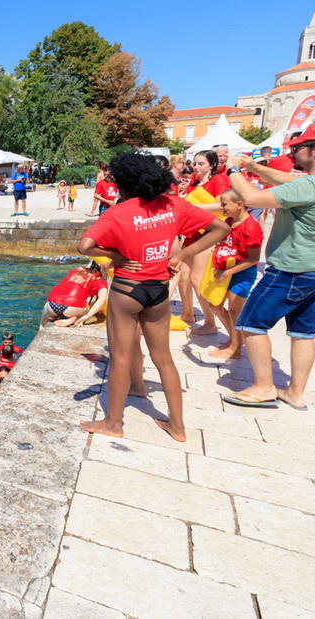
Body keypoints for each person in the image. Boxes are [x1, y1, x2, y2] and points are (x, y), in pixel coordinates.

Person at [78, 151, 228, 441]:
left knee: (121, 358)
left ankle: (113, 424)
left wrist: (116, 258)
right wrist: (182, 254)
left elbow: (85, 246)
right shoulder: (174, 205)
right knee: (164, 359)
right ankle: (178, 427)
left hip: (127, 290)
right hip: (158, 291)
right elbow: (220, 227)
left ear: (123, 183)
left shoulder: (116, 213)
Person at [222, 124, 315, 410]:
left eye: (299, 147)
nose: (294, 151)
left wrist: (234, 170)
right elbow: (287, 180)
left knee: (250, 324)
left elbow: (253, 198)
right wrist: (254, 167)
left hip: (291, 272)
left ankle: (263, 388)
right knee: (303, 333)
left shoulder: (312, 186)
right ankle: (295, 393)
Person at [178, 149, 232, 334]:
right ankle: (188, 313)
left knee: (196, 279)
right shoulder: (194, 183)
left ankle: (210, 323)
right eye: (195, 163)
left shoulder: (219, 180)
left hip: (208, 234)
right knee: (182, 277)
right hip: (192, 233)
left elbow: (222, 205)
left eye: (201, 163)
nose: (196, 167)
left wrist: (193, 207)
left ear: (212, 165)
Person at [206, 189, 263, 359]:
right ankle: (235, 339)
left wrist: (227, 272)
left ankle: (236, 349)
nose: (221, 207)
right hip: (224, 270)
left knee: (234, 310)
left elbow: (254, 258)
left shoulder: (251, 227)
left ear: (239, 204)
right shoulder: (230, 221)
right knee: (215, 305)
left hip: (242, 273)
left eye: (224, 204)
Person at [41, 262, 109, 328]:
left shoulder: (78, 269)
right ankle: (72, 320)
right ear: (101, 265)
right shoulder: (100, 281)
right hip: (72, 307)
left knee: (42, 325)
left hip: (52, 303)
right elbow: (102, 299)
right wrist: (87, 316)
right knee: (87, 308)